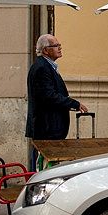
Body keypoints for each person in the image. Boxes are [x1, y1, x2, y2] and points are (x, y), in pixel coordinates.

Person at [26, 34, 88, 168]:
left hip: (48, 127)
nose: (59, 48)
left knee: (46, 164)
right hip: (47, 128)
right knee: (43, 165)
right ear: (45, 50)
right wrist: (74, 104)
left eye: (59, 45)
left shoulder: (47, 66)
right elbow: (49, 96)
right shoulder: (42, 68)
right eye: (55, 46)